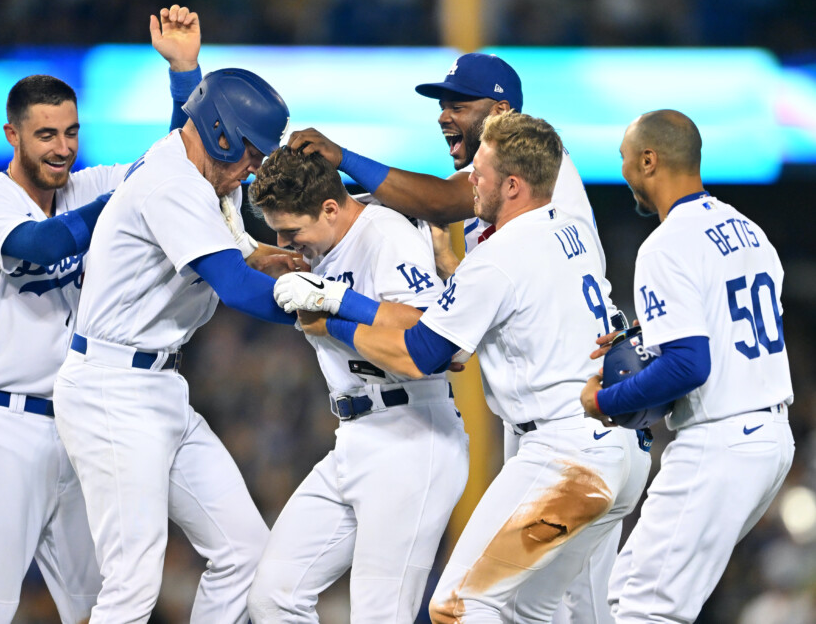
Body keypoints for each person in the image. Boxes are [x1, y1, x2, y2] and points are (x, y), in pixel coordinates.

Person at [288, 50, 635, 622]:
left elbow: (429, 338)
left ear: (501, 114)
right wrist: (454, 273)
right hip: (598, 435)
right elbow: (510, 296)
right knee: (556, 613)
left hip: (566, 439)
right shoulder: (532, 217)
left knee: (460, 607)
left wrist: (331, 305)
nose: (445, 115)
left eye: (459, 104)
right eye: (442, 105)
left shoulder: (535, 181)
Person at [0, 6, 202, 623]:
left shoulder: (87, 184)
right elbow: (42, 246)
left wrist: (185, 74)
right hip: (3, 425)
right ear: (14, 135)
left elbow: (172, 167)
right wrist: (124, 201)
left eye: (71, 132)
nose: (63, 146)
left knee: (104, 601)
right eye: (46, 134)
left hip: (83, 424)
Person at [51, 66, 300, 623]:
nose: (253, 171)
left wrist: (277, 261)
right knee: (132, 586)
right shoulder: (175, 182)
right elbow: (235, 286)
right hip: (112, 390)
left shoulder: (205, 175)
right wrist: (332, 310)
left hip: (158, 386)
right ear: (219, 132)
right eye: (252, 155)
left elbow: (238, 255)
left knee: (245, 552)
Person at [580, 109, 795, 623]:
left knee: (645, 608)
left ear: (649, 160)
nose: (624, 171)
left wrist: (605, 401)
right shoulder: (751, 232)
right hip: (768, 438)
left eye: (625, 159)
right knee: (631, 589)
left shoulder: (667, 243)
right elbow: (712, 345)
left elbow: (688, 367)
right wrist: (642, 344)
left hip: (720, 440)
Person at [246, 147, 470, 622]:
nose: (288, 243)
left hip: (412, 433)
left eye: (293, 231)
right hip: (353, 437)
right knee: (273, 597)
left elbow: (440, 342)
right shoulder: (320, 244)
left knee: (378, 615)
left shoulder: (384, 233)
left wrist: (335, 313)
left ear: (330, 207)